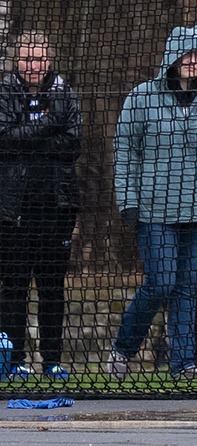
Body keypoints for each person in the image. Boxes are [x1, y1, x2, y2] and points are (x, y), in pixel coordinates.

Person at [107, 26, 197, 380]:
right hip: (154, 210)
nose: (192, 62)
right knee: (161, 283)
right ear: (172, 58)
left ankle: (183, 363)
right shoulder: (142, 97)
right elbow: (126, 153)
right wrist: (128, 201)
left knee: (187, 288)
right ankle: (122, 350)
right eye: (186, 55)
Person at [0, 30, 82, 380]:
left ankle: (51, 360)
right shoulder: (4, 92)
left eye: (39, 59)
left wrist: (31, 138)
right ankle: (14, 359)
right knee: (14, 287)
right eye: (27, 59)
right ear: (17, 60)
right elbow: (4, 141)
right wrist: (50, 124)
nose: (33, 66)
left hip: (56, 207)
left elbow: (73, 144)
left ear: (49, 59)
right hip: (14, 209)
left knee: (52, 288)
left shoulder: (64, 92)